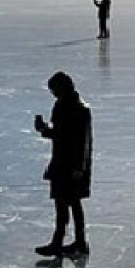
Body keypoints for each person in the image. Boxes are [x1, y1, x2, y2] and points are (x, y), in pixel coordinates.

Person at [34, 71, 92, 258]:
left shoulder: (78, 108)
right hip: (61, 161)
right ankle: (78, 242)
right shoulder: (63, 104)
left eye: (54, 90)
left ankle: (60, 243)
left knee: (67, 203)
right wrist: (44, 129)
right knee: (69, 203)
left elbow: (82, 141)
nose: (53, 93)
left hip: (69, 164)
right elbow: (61, 134)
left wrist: (79, 167)